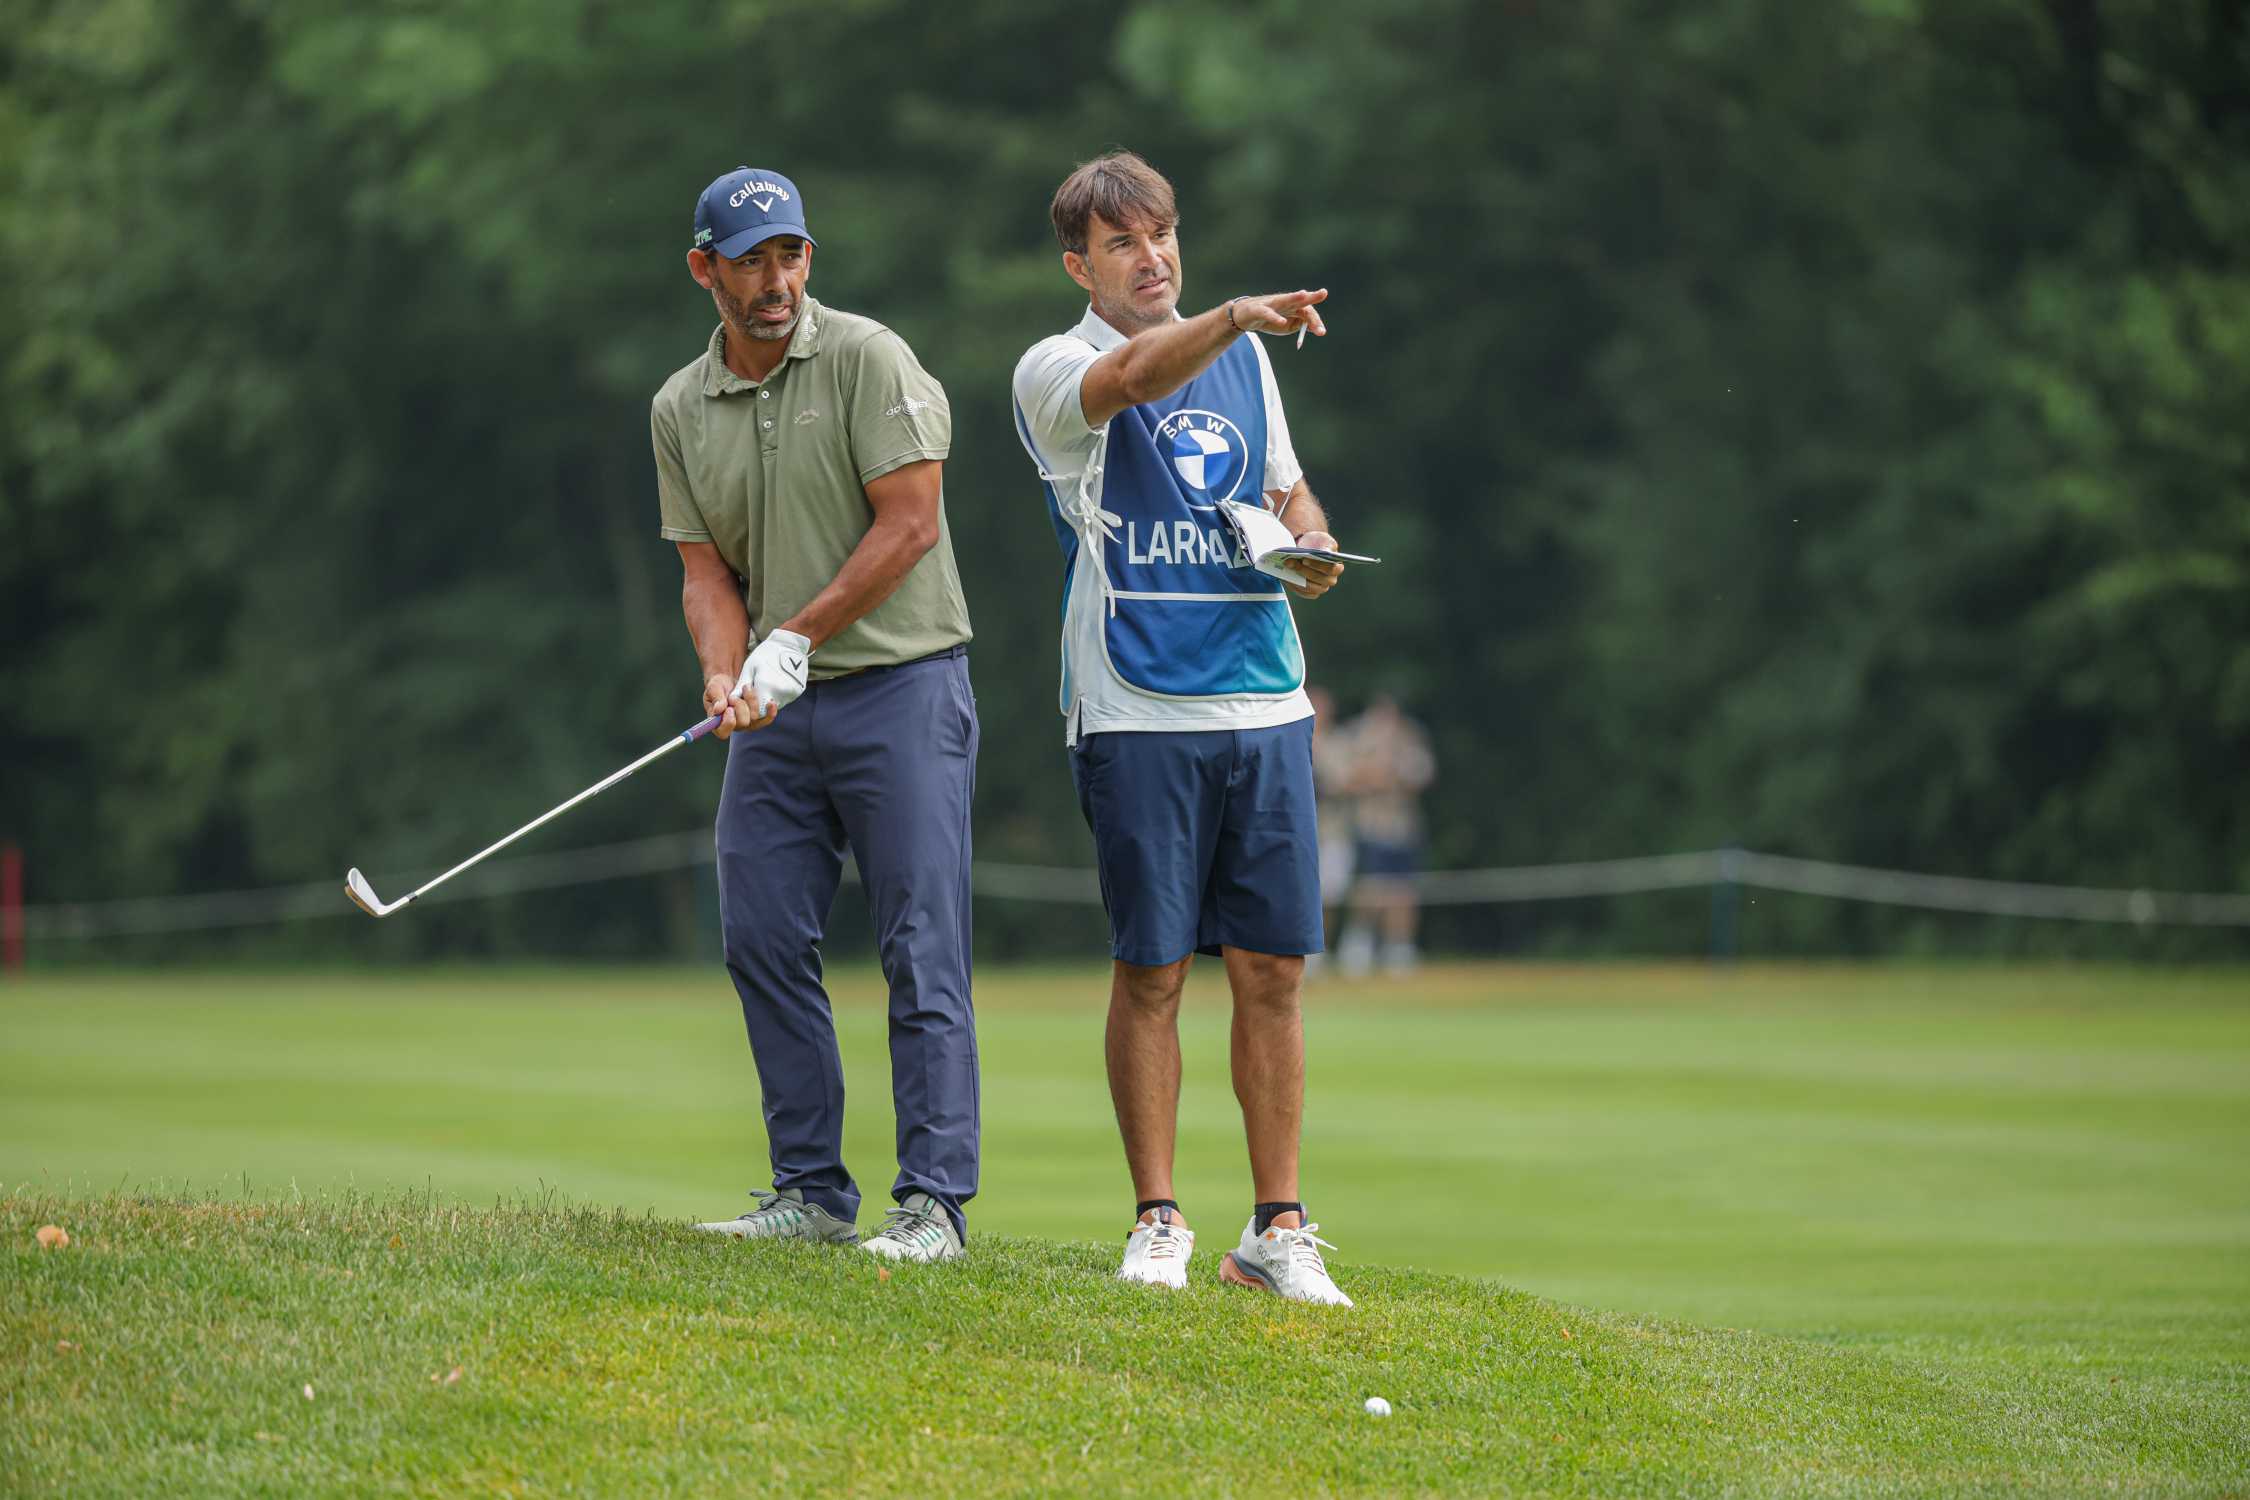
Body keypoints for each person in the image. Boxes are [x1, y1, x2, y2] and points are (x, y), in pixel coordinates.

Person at [1009, 150, 1357, 1305]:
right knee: (1152, 968)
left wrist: (1310, 540)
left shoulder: (1245, 358)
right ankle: (1158, 1219)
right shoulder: (1053, 366)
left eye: (1160, 235)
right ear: (1080, 266)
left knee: (1273, 970)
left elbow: (1286, 485)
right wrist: (1231, 316)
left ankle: (1277, 1230)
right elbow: (1130, 379)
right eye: (1121, 243)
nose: (1150, 257)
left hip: (1265, 695)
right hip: (1136, 706)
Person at [653, 165, 979, 1263]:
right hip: (777, 713)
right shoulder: (679, 407)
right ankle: (811, 1192)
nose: (775, 281)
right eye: (749, 262)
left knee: (921, 946)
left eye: (789, 255)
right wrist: (723, 670)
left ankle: (933, 1205)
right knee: (757, 931)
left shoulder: (866, 357)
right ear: (705, 270)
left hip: (903, 687)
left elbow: (912, 523)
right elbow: (705, 573)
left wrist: (793, 635)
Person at [1334, 694, 1436, 975]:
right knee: (1370, 888)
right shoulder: (1355, 737)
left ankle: (1399, 947)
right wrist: (1377, 774)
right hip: (1370, 826)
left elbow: (1421, 775)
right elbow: (1345, 779)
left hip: (1404, 828)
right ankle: (1359, 945)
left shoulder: (1411, 737)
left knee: (1403, 890)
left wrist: (1390, 771)